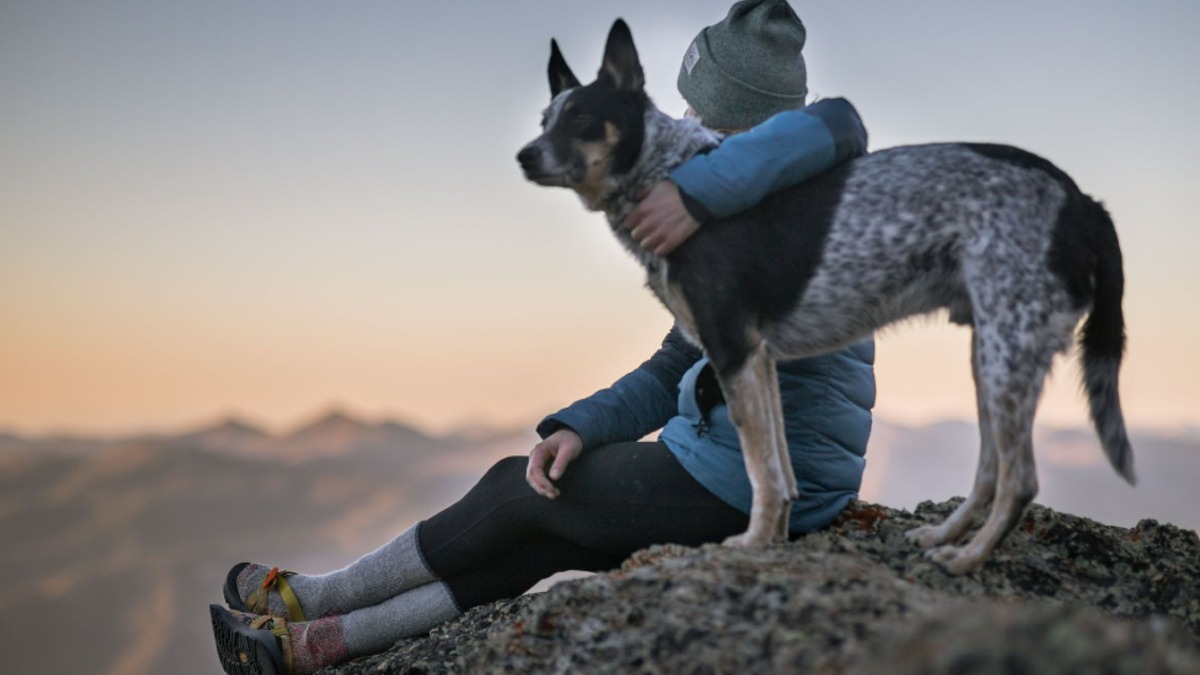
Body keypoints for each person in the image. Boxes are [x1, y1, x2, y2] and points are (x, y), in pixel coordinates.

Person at [210, 2, 875, 673]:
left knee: (516, 491)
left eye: (696, 108)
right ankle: (314, 646)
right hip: (742, 460)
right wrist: (581, 426)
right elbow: (680, 354)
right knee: (541, 540)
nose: (681, 120)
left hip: (761, 479)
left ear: (735, 117)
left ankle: (309, 596)